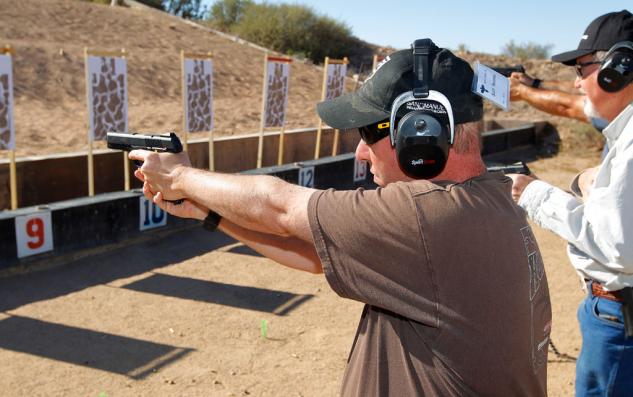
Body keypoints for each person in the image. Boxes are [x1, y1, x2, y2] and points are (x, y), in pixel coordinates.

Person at [130, 44, 551, 396]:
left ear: (420, 133)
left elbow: (279, 207)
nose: (360, 153)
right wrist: (209, 212)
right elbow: (313, 254)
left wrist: (177, 175)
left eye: (369, 133)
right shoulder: (490, 194)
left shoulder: (427, 216)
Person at [509, 10, 633, 397]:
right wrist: (587, 183)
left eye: (583, 68)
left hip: (620, 317)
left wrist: (532, 193)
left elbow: (617, 248)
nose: (577, 82)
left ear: (620, 67)